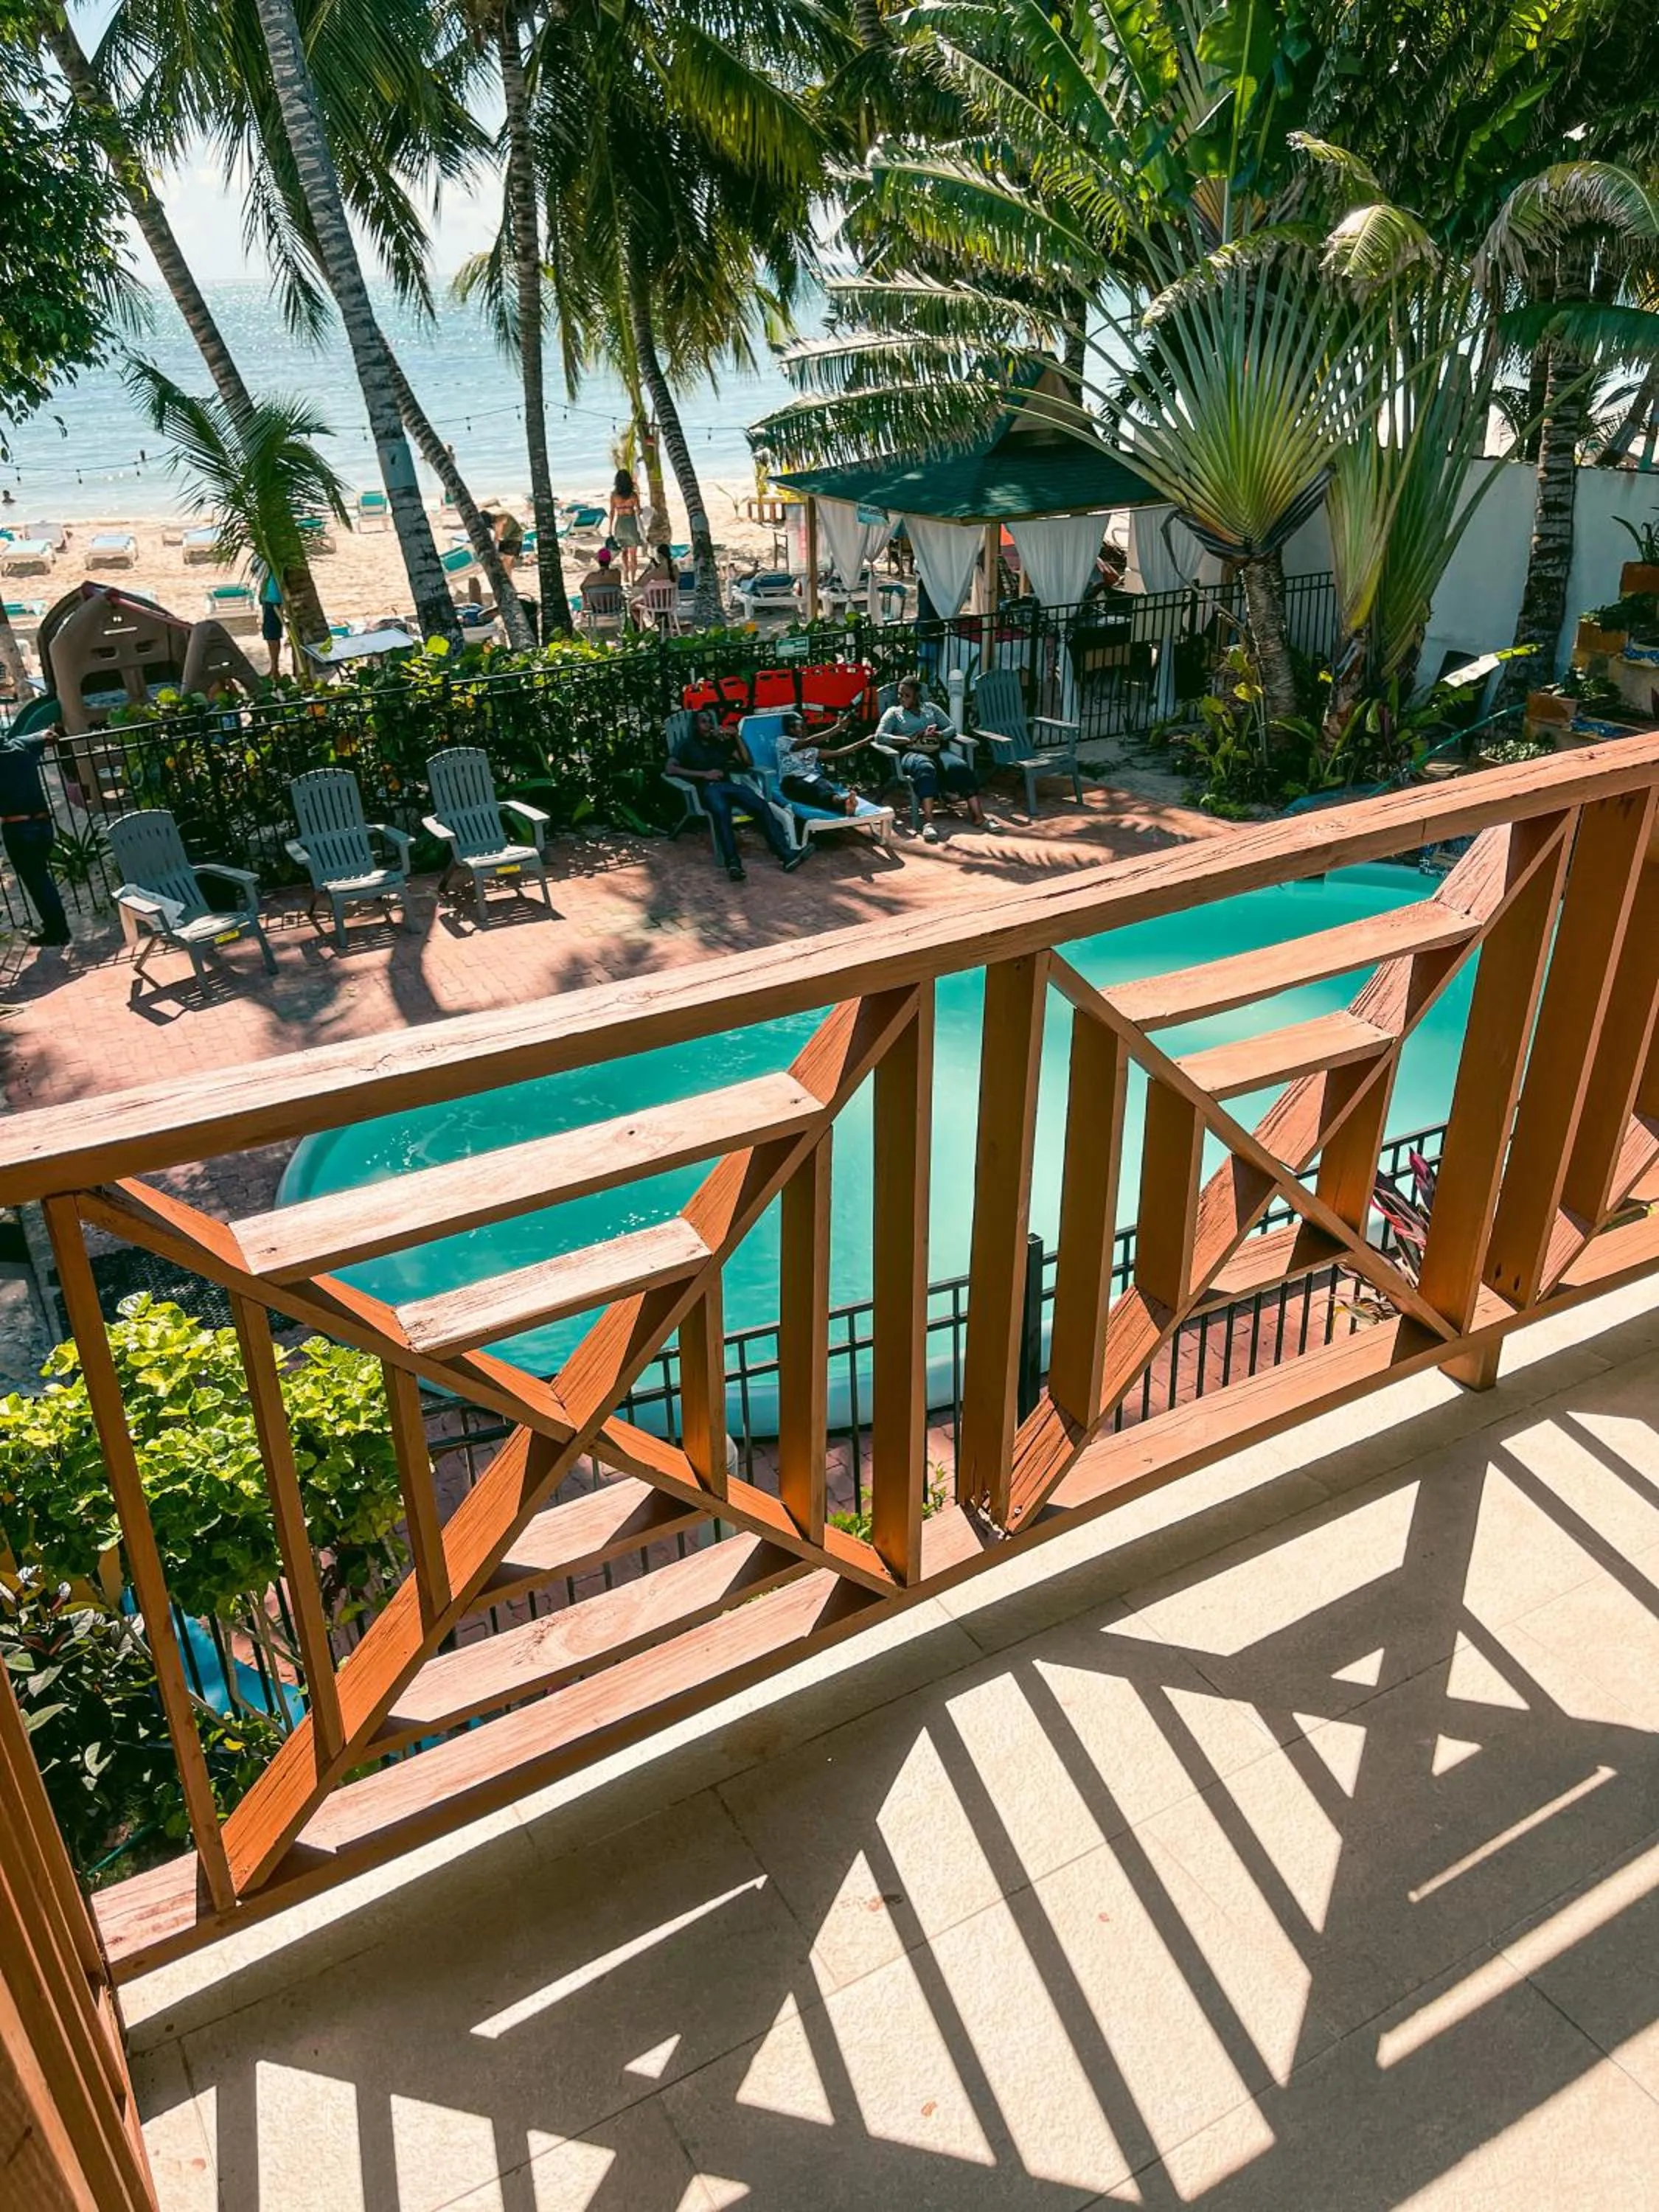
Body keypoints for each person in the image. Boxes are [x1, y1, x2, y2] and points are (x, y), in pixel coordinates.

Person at [668, 707, 808, 883]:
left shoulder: (720, 743)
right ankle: (733, 864)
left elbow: (747, 762)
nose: (709, 725)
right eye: (704, 722)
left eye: (710, 721)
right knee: (722, 813)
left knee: (761, 805)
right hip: (707, 788)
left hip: (729, 785)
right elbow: (670, 768)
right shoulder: (687, 745)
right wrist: (704, 775)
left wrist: (736, 736)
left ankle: (786, 855)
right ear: (695, 726)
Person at [875, 674, 998, 842]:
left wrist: (940, 734)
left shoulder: (931, 709)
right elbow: (879, 736)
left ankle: (979, 817)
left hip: (935, 750)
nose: (902, 698)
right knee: (925, 768)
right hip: (910, 753)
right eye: (900, 694)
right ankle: (929, 823)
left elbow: (951, 728)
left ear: (917, 696)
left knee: (959, 767)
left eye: (907, 695)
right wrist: (907, 739)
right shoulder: (894, 713)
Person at [0, 725, 70, 947]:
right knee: (42, 878)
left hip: (18, 828)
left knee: (37, 881)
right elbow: (51, 735)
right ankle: (57, 928)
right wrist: (36, 737)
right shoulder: (22, 745)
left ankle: (58, 931)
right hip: (43, 824)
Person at [775, 709, 863, 816]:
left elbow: (838, 752)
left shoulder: (812, 750)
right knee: (808, 789)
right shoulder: (783, 741)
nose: (804, 729)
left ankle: (843, 803)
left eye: (804, 726)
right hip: (792, 781)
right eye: (800, 726)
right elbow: (808, 742)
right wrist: (837, 728)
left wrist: (865, 742)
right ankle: (843, 803)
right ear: (790, 729)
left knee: (824, 785)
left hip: (812, 778)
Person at [608, 469, 643, 583]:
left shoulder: (614, 495)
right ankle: (633, 579)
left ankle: (625, 575)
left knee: (624, 552)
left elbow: (612, 512)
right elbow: (638, 510)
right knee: (633, 555)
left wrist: (610, 528)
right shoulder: (633, 495)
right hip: (631, 524)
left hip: (620, 524)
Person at [257, 566, 284, 679]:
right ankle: (274, 668)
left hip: (274, 599)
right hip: (268, 597)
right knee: (270, 635)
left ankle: (275, 669)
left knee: (272, 635)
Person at [493, 509, 524, 573]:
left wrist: (494, 546)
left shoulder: (500, 516)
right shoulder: (497, 516)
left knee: (506, 562)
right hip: (506, 539)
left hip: (514, 539)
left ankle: (508, 580)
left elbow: (498, 534)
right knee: (505, 562)